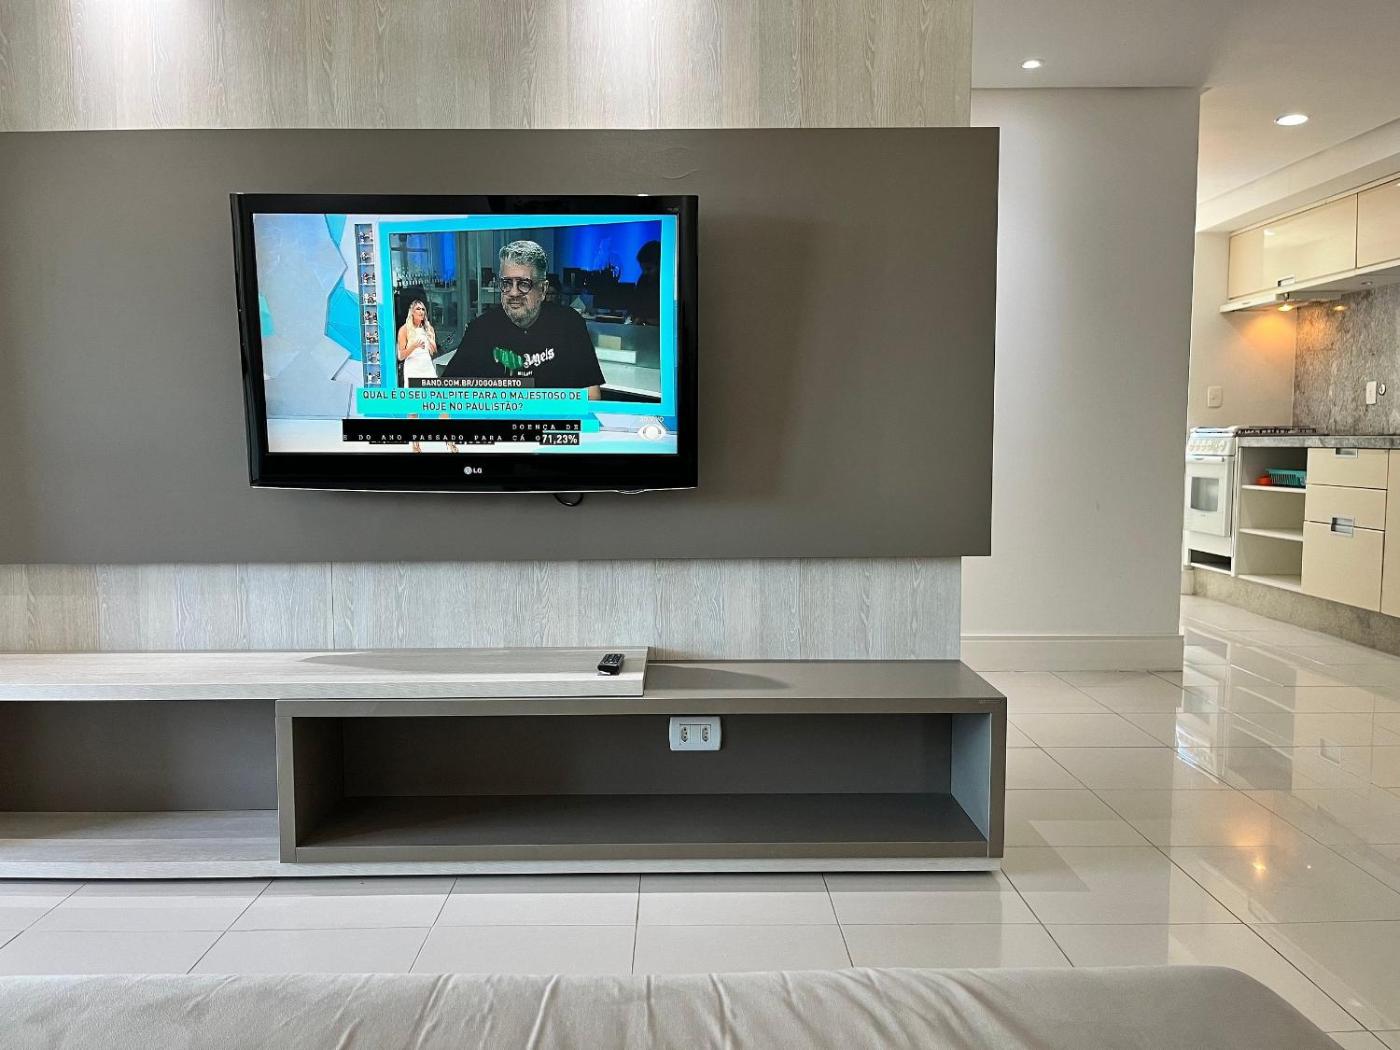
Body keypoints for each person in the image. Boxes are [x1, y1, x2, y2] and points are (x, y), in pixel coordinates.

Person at [443, 240, 604, 399]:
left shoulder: (570, 324)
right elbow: (445, 396)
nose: (513, 293)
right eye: (507, 283)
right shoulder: (480, 329)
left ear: (542, 289)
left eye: (524, 284)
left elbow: (591, 395)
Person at [396, 299, 438, 383]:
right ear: (412, 312)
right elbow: (401, 356)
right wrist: (414, 346)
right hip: (412, 369)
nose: (421, 311)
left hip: (427, 367)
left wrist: (431, 341)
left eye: (423, 309)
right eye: (418, 309)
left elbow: (434, 351)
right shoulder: (404, 329)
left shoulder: (429, 328)